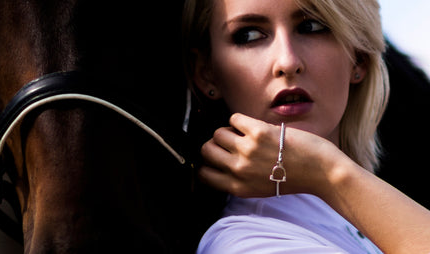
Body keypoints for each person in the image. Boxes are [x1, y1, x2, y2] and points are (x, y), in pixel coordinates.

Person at [182, 0, 430, 253]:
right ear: (206, 72)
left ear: (359, 58)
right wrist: (329, 173)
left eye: (311, 26)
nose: (287, 62)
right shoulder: (251, 244)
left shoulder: (358, 222)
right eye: (249, 35)